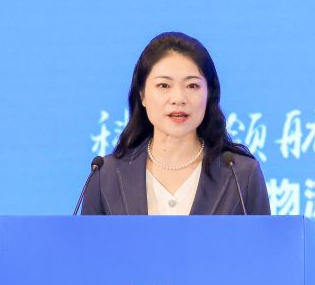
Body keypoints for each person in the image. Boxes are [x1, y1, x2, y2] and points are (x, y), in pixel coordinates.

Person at [81, 31, 270, 215]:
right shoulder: (105, 176)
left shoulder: (241, 175)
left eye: (192, 86)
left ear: (209, 94)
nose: (178, 98)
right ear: (142, 94)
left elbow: (261, 238)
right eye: (164, 85)